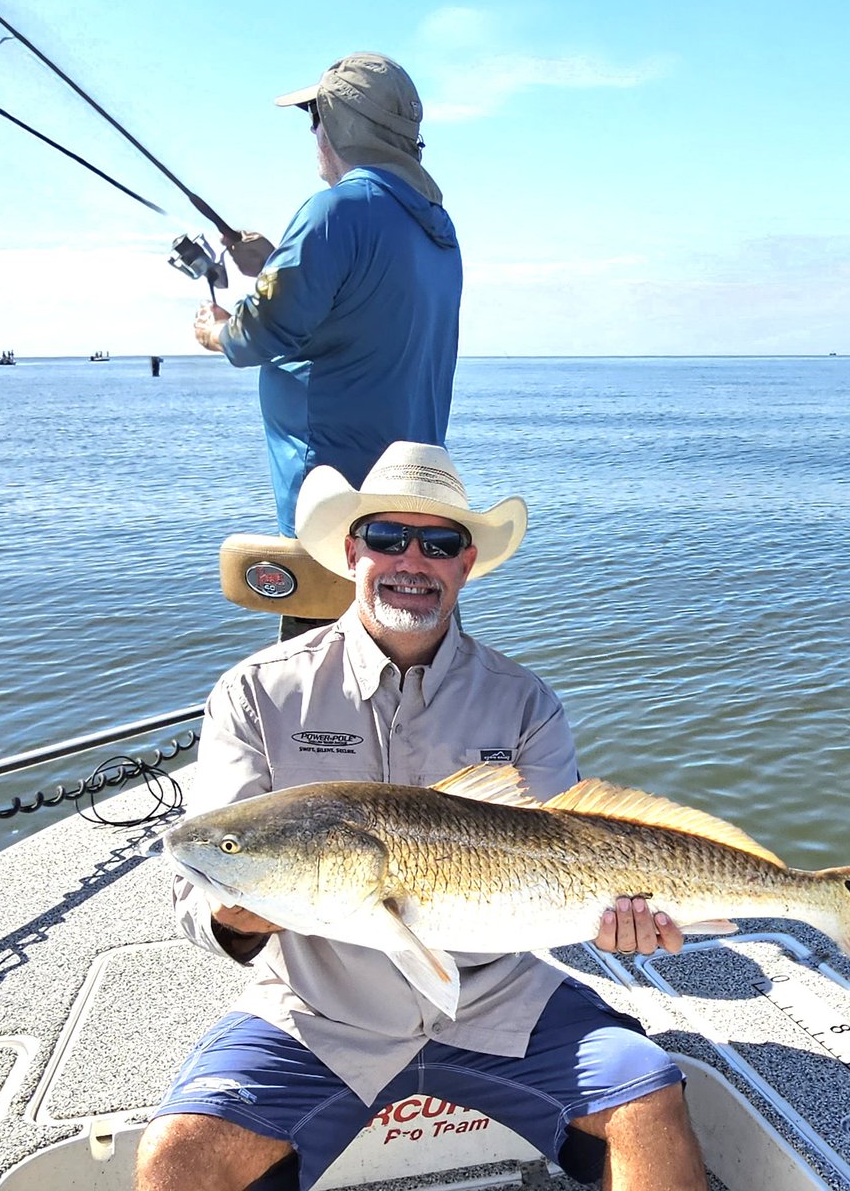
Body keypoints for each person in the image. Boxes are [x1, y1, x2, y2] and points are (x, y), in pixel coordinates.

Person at [135, 443, 707, 1191]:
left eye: (438, 544)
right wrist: (234, 915)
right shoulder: (255, 693)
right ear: (351, 552)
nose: (412, 560)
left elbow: (572, 850)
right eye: (386, 537)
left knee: (648, 1098)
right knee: (178, 1154)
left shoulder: (524, 701)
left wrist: (622, 921)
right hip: (318, 1012)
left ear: (466, 564)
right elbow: (203, 878)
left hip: (500, 998)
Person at [192, 54, 462, 551]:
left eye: (316, 116)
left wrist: (216, 331)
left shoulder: (335, 212)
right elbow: (361, 306)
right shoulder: (435, 228)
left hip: (335, 514)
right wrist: (274, 260)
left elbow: (260, 332)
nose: (313, 131)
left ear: (340, 123)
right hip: (411, 507)